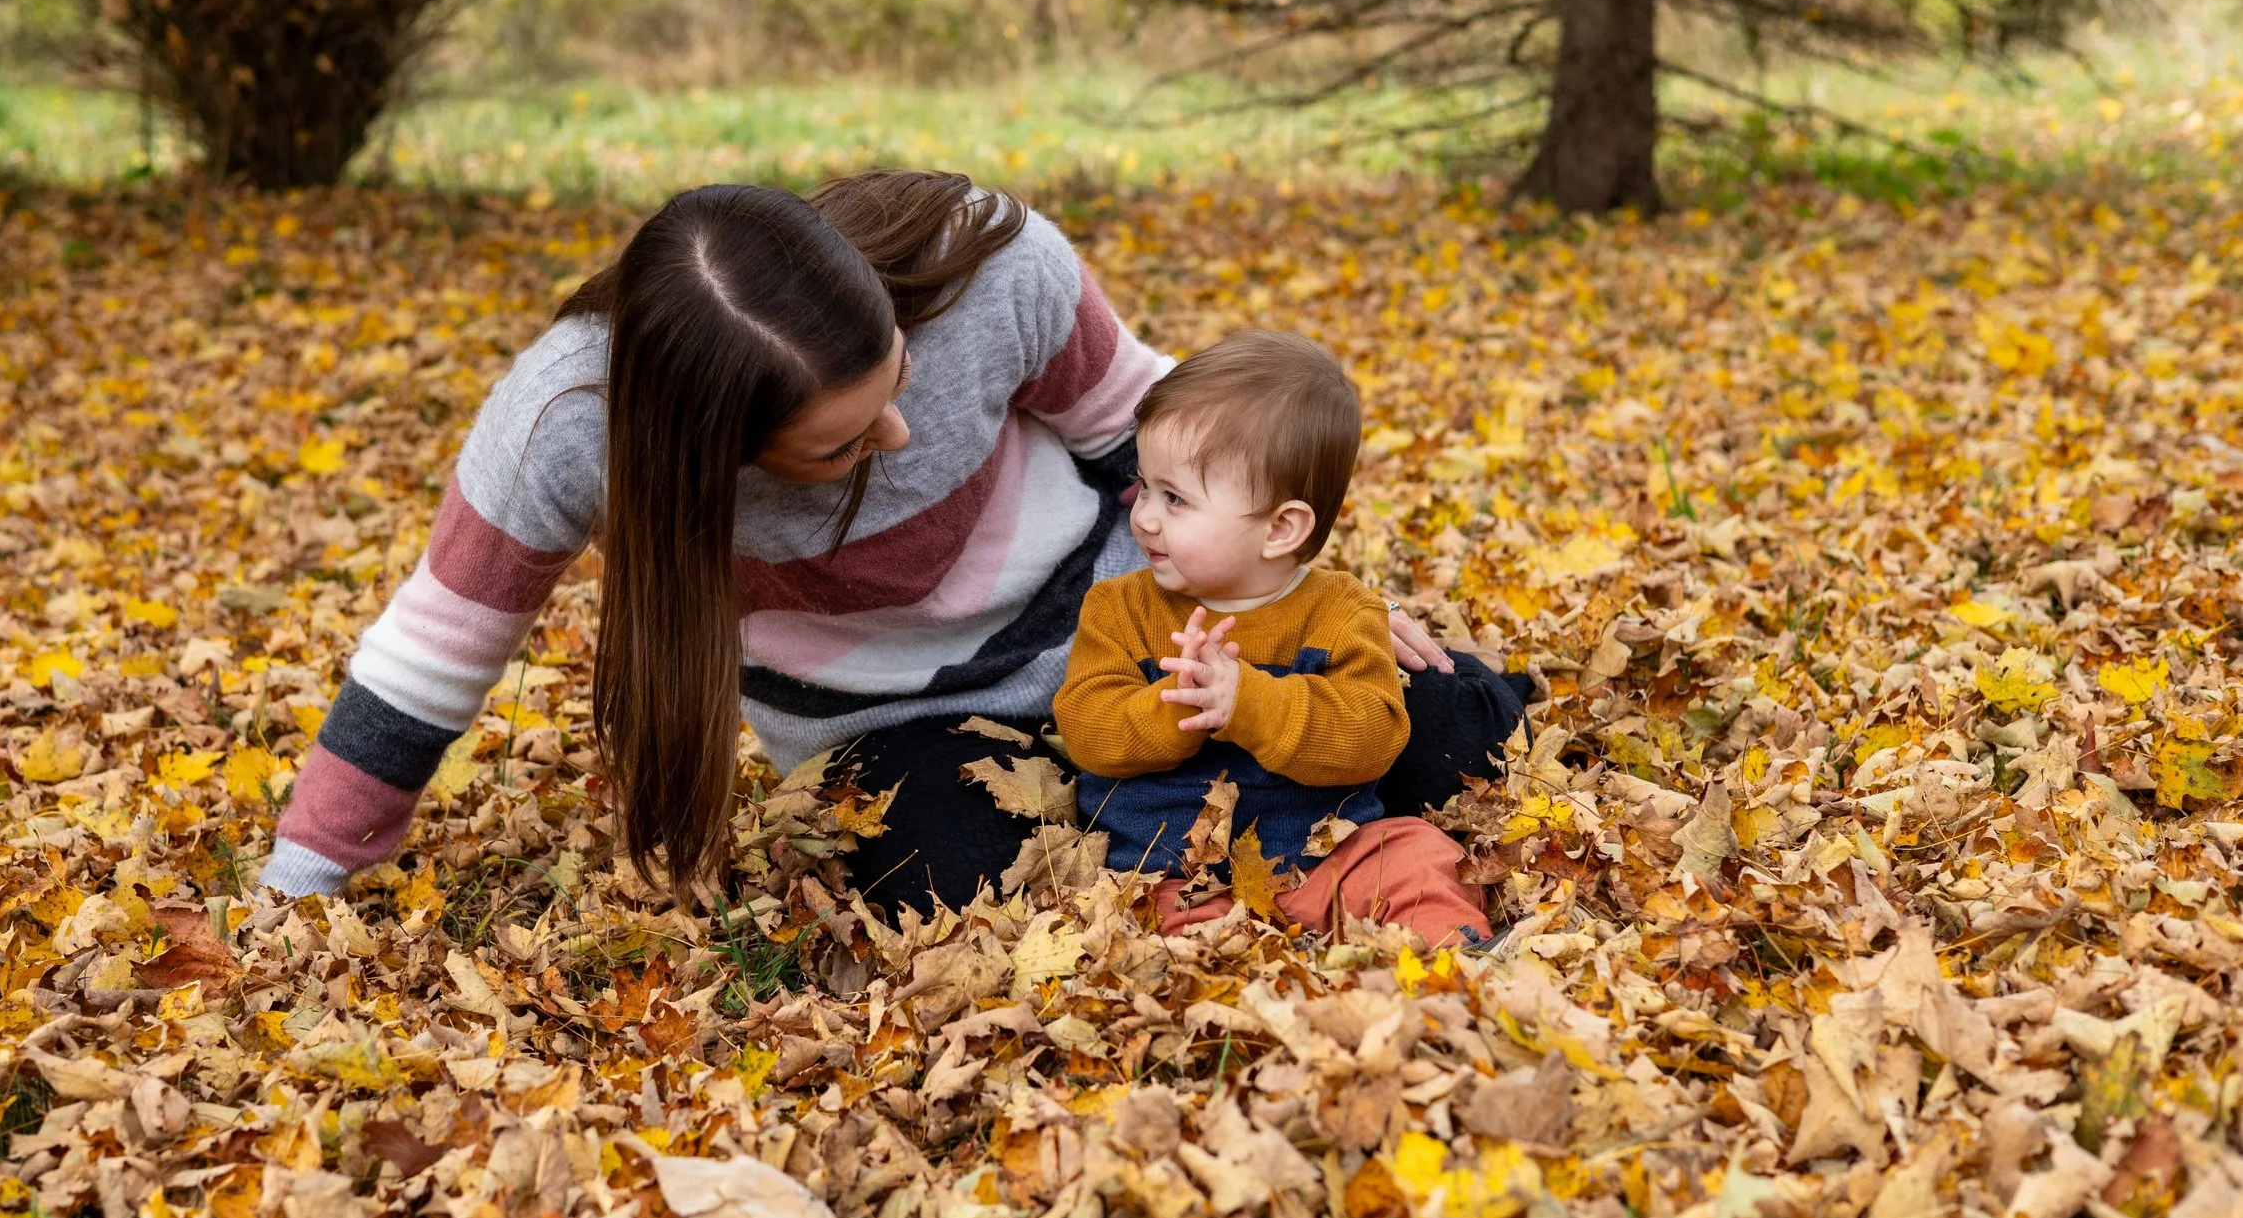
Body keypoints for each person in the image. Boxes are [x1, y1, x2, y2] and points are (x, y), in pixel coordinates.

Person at [256, 172, 1526, 912]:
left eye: (900, 376)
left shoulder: (995, 267)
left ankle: (1207, 807)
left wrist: (1298, 608)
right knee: (945, 877)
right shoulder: (568, 429)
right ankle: (1143, 834)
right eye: (842, 442)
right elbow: (430, 653)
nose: (905, 429)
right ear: (720, 449)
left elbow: (1157, 440)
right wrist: (299, 883)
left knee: (1448, 733)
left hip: (1147, 653)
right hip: (892, 730)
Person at [1054, 330, 1491, 946]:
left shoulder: (1341, 611)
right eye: (1145, 486)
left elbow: (1372, 735)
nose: (1145, 516)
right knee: (1154, 922)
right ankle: (1231, 983)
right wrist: (1175, 705)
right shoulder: (1120, 609)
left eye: (1175, 499)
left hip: (1325, 859)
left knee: (1417, 854)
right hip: (1177, 871)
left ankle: (1451, 965)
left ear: (1281, 528)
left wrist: (1252, 704)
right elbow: (1087, 728)